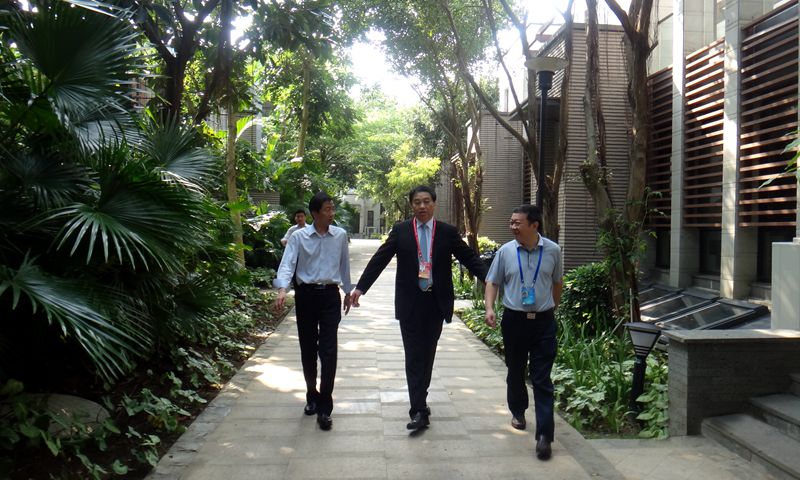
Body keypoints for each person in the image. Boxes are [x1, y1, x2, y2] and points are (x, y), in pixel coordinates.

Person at [350, 185, 487, 431]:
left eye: (426, 201)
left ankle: (420, 398)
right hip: (410, 303)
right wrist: (360, 288)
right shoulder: (401, 231)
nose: (422, 206)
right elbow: (380, 258)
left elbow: (469, 258)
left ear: (433, 204)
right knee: (413, 355)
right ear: (411, 205)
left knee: (427, 354)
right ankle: (418, 410)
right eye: (417, 202)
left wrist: (492, 279)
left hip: (436, 302)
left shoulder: (447, 232)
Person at [484, 204, 563, 460]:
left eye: (517, 223)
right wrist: (489, 308)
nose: (513, 227)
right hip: (514, 320)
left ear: (534, 225)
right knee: (515, 370)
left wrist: (551, 308)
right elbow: (492, 282)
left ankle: (544, 436)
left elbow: (557, 283)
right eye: (511, 222)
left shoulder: (553, 251)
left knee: (542, 377)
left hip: (543, 322)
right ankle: (518, 411)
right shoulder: (506, 252)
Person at [273, 192, 352, 431]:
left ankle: (325, 406)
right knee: (308, 348)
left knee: (329, 351)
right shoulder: (298, 237)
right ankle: (311, 394)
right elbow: (288, 263)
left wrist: (348, 291)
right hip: (306, 297)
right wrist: (282, 289)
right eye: (327, 209)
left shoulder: (340, 235)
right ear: (315, 213)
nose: (332, 213)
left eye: (332, 208)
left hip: (330, 296)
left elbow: (344, 266)